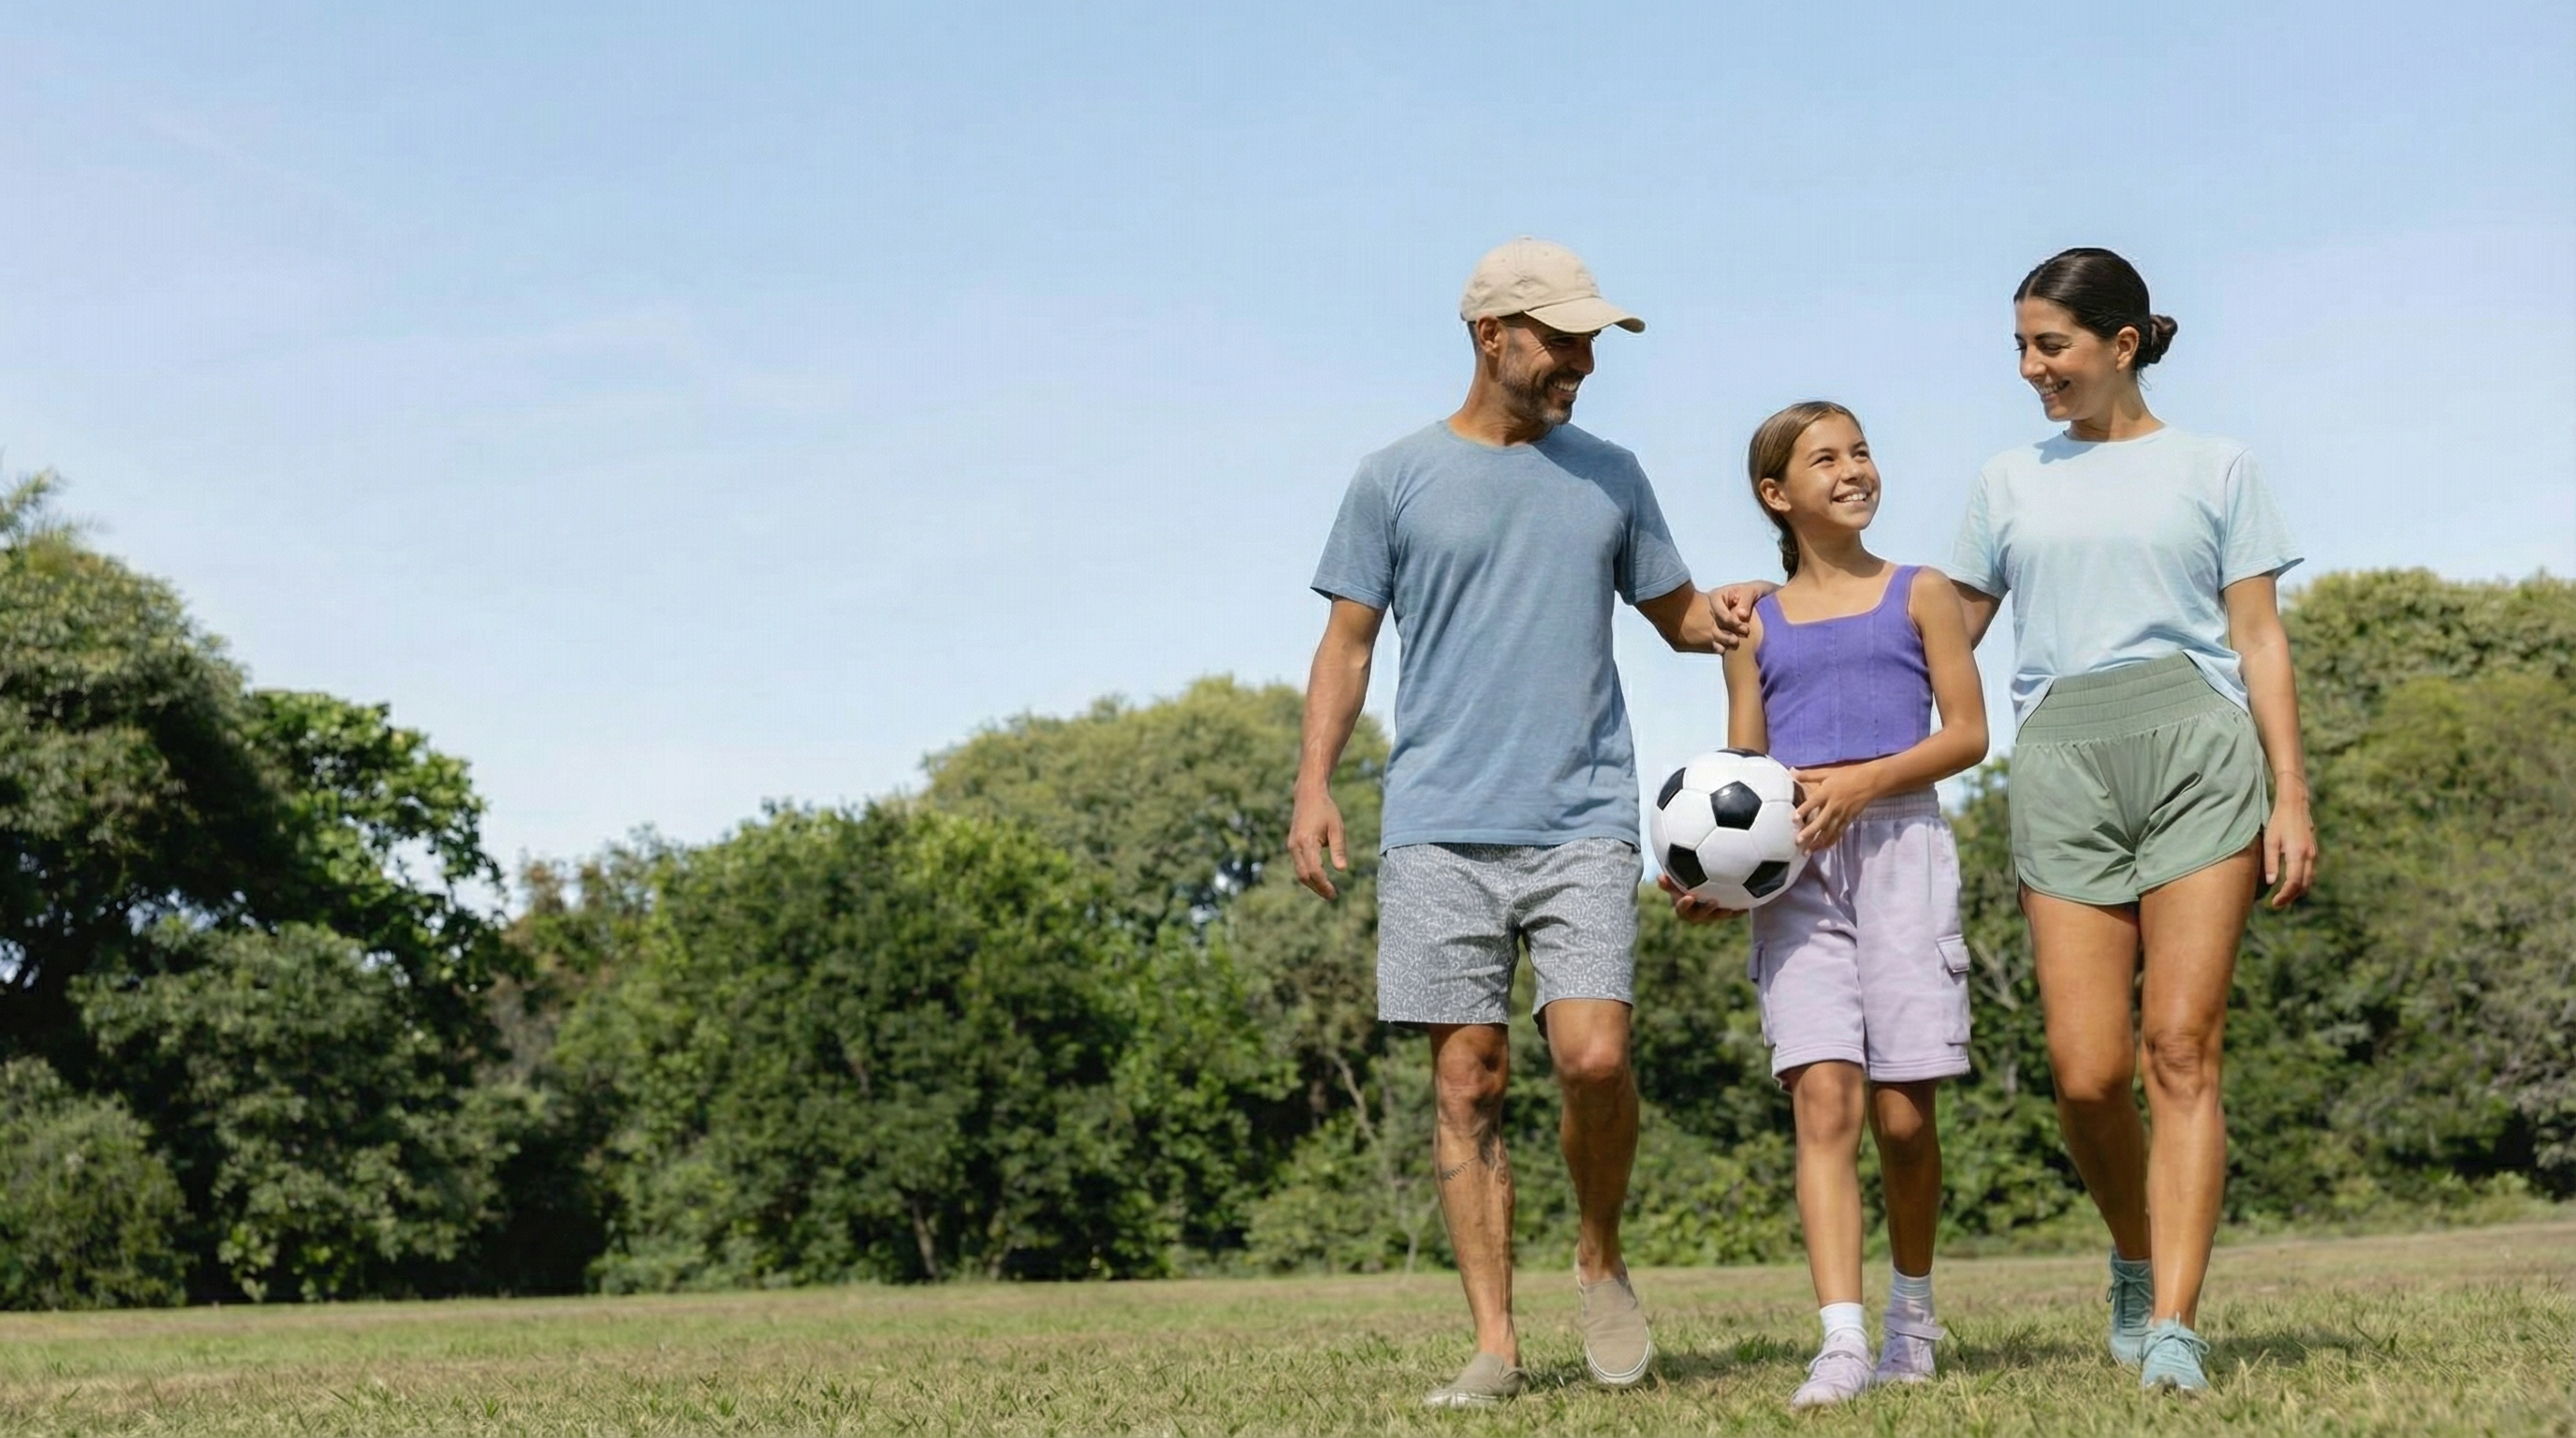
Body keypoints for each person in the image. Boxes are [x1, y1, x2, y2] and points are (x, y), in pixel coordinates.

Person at [1287, 237, 1748, 1409]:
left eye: (1591, 340)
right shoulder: (1391, 479)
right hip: (1439, 821)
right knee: (1471, 1083)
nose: (1582, 361)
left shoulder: (1611, 474)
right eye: (1562, 338)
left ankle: (1597, 1251)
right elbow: (1347, 645)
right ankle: (1495, 1342)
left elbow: (1678, 617)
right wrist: (1313, 786)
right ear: (1491, 335)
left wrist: (1736, 610)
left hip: (1582, 811)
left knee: (1592, 1056)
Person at [1944, 247, 2318, 1393]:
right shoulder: (2008, 482)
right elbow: (1937, 634)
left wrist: (2289, 790)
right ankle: (2131, 1248)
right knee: (2087, 1073)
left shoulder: (2217, 466)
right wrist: (1804, 605)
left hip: (2197, 756)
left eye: (2047, 345)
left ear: (2119, 345)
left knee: (2179, 1048)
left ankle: (2173, 1324)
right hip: (2060, 762)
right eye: (2018, 345)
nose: (2029, 368)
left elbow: (2256, 636)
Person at [1660, 401, 1988, 1409]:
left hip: (1899, 851)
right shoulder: (1749, 621)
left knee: (1902, 1117)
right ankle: (1840, 1343)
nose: (1853, 468)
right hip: (1794, 873)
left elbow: (1967, 735)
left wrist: (1862, 785)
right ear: (1776, 494)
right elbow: (1745, 760)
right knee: (1824, 1098)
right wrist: (1724, 874)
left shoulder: (1921, 592)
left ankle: (1913, 1319)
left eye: (1861, 451)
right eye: (1825, 458)